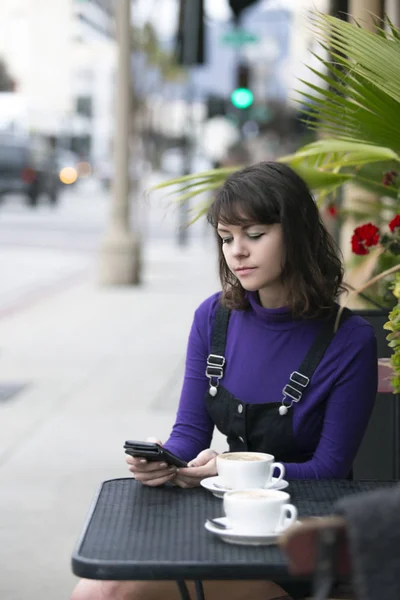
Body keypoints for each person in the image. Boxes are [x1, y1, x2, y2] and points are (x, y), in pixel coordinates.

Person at [71, 162, 378, 600]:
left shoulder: (348, 340)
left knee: (110, 592)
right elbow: (191, 433)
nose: (237, 252)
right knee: (97, 586)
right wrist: (164, 461)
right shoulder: (214, 317)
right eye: (226, 238)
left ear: (297, 233)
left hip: (302, 544)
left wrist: (234, 471)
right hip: (226, 526)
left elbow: (330, 469)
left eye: (254, 235)